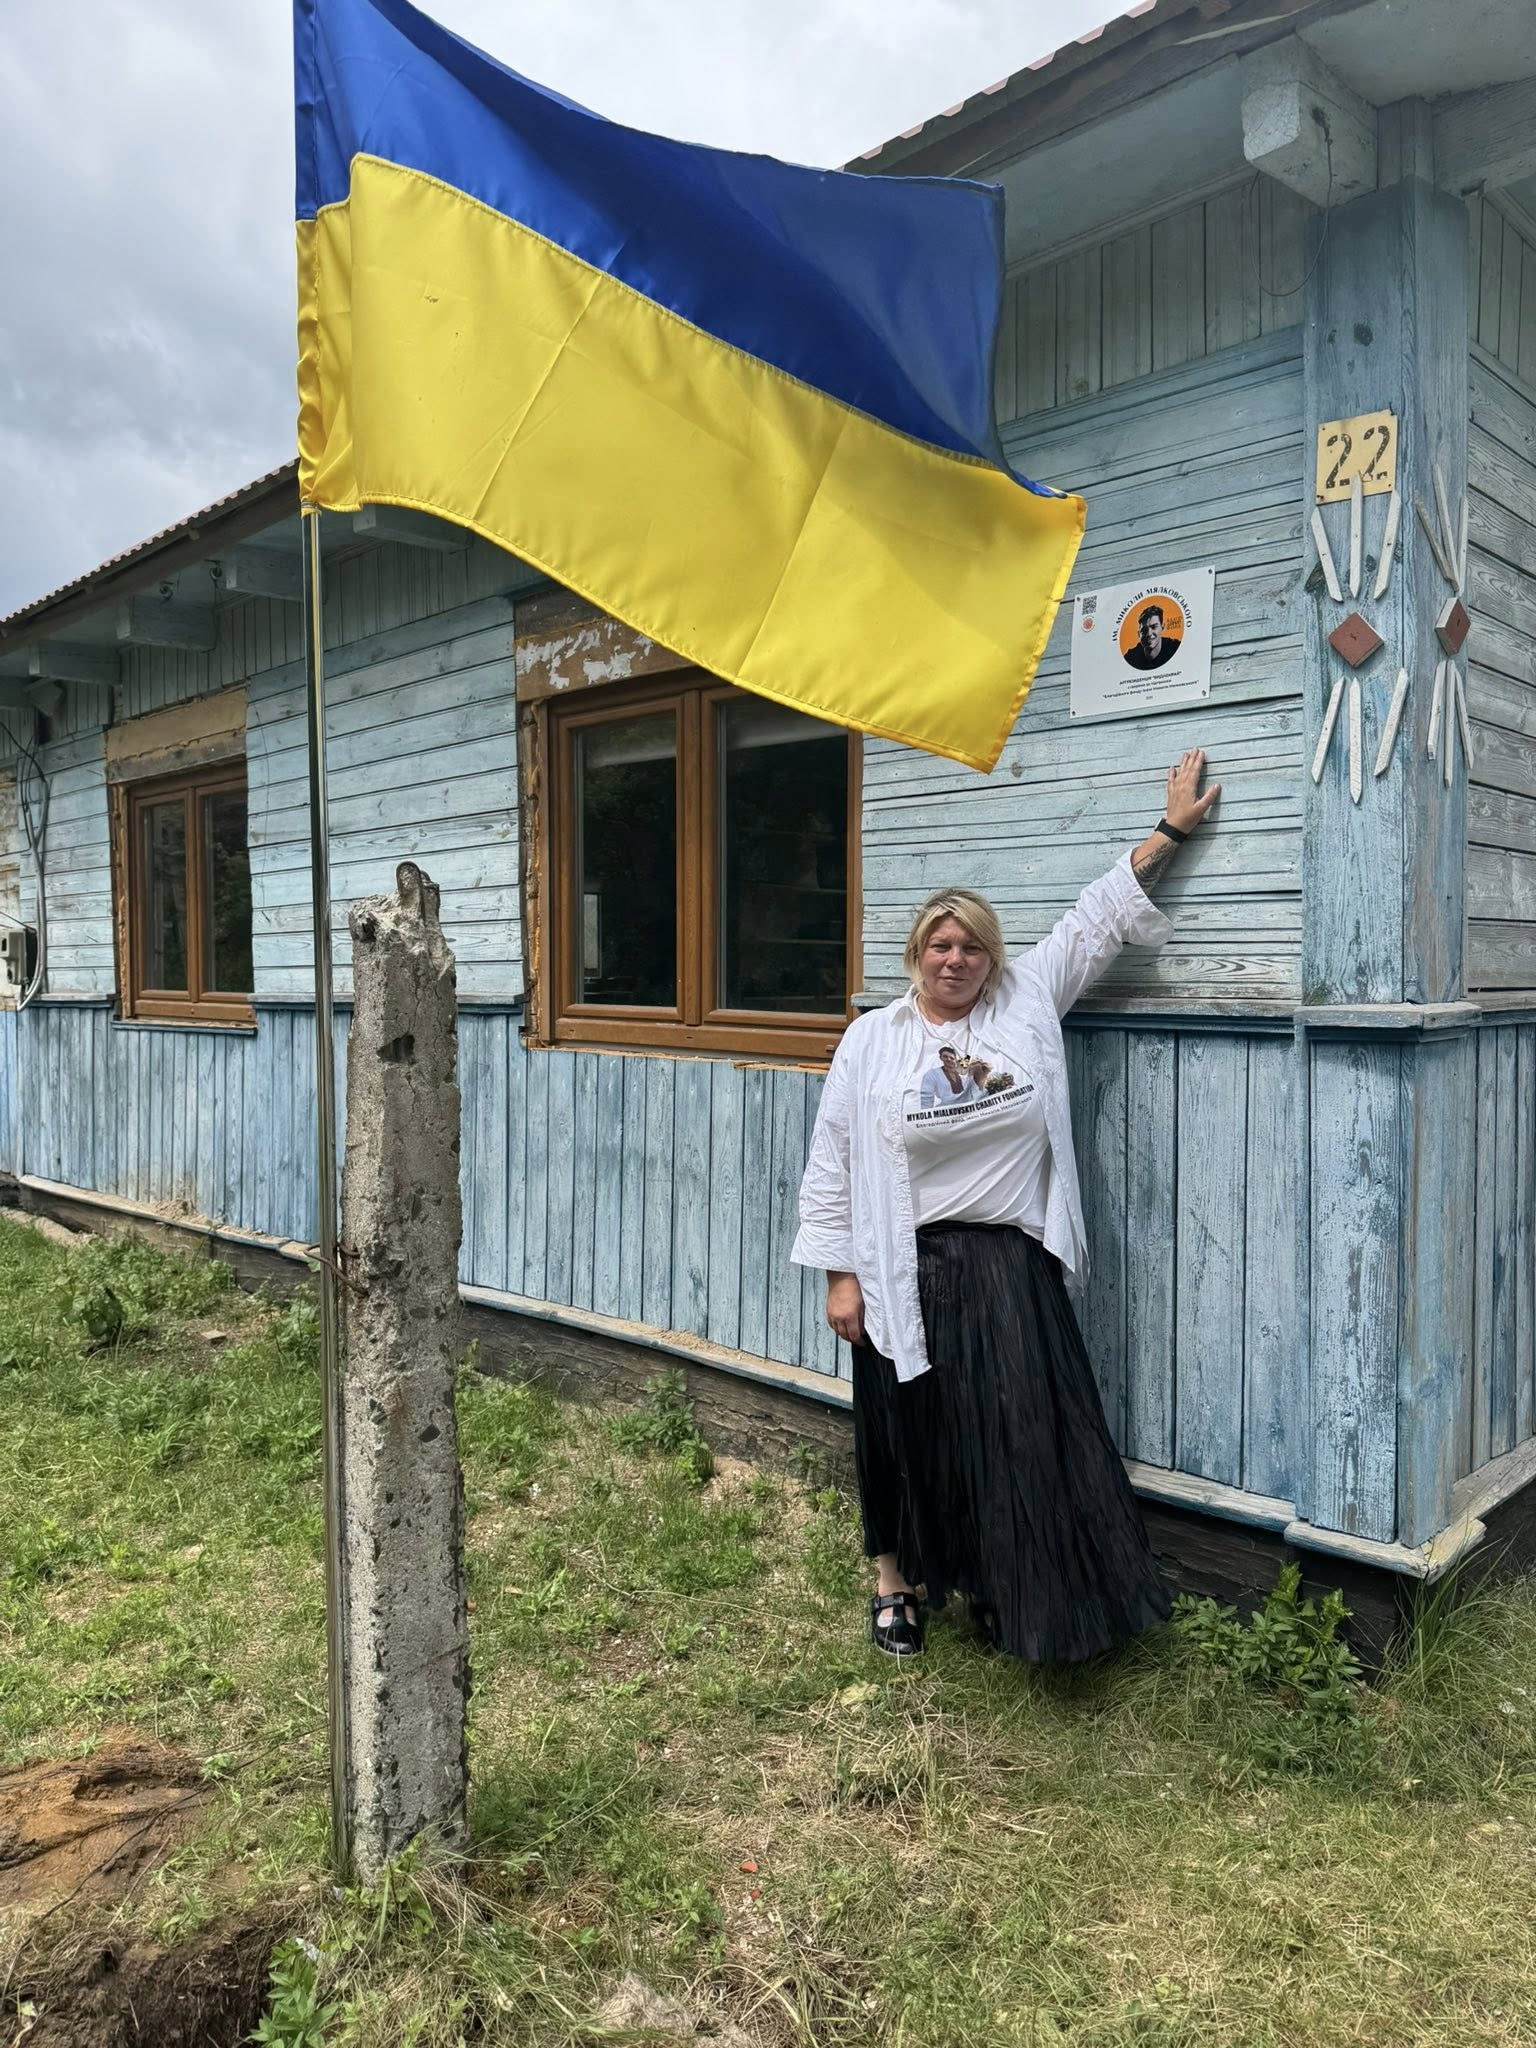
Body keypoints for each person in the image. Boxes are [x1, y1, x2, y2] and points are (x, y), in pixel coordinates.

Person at [791, 749, 1220, 1662]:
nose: (956, 960)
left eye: (972, 947)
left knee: (1011, 1438)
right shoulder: (872, 1041)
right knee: (903, 1432)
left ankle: (1002, 1585)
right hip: (903, 1265)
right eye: (940, 946)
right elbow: (833, 1158)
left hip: (1007, 1265)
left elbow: (1097, 916)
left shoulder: (1025, 1001)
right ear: (917, 955)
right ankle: (895, 1584)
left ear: (992, 956)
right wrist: (839, 1276)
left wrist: (1172, 830)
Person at [1123, 603, 1180, 670]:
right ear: (1139, 634)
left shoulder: (1175, 648)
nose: (1149, 633)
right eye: (1144, 630)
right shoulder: (1130, 658)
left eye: (1154, 627)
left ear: (1162, 628)